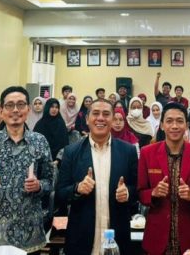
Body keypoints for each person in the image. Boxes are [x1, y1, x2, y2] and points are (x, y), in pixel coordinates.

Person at [0, 86, 54, 254]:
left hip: (29, 234)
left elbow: (50, 182)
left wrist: (39, 186)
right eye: (9, 105)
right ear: (1, 111)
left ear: (28, 110)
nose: (15, 110)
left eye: (21, 104)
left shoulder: (40, 141)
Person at [56, 99, 138, 255]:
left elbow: (137, 189)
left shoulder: (128, 152)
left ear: (113, 119)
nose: (100, 118)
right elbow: (60, 194)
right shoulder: (71, 152)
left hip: (117, 241)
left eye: (106, 114)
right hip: (81, 241)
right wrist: (77, 189)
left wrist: (127, 193)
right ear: (87, 119)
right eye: (95, 113)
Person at [138, 102, 190, 255]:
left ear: (187, 125)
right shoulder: (147, 153)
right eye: (169, 121)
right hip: (157, 236)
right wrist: (153, 193)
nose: (174, 126)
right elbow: (140, 193)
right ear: (162, 125)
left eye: (179, 121)